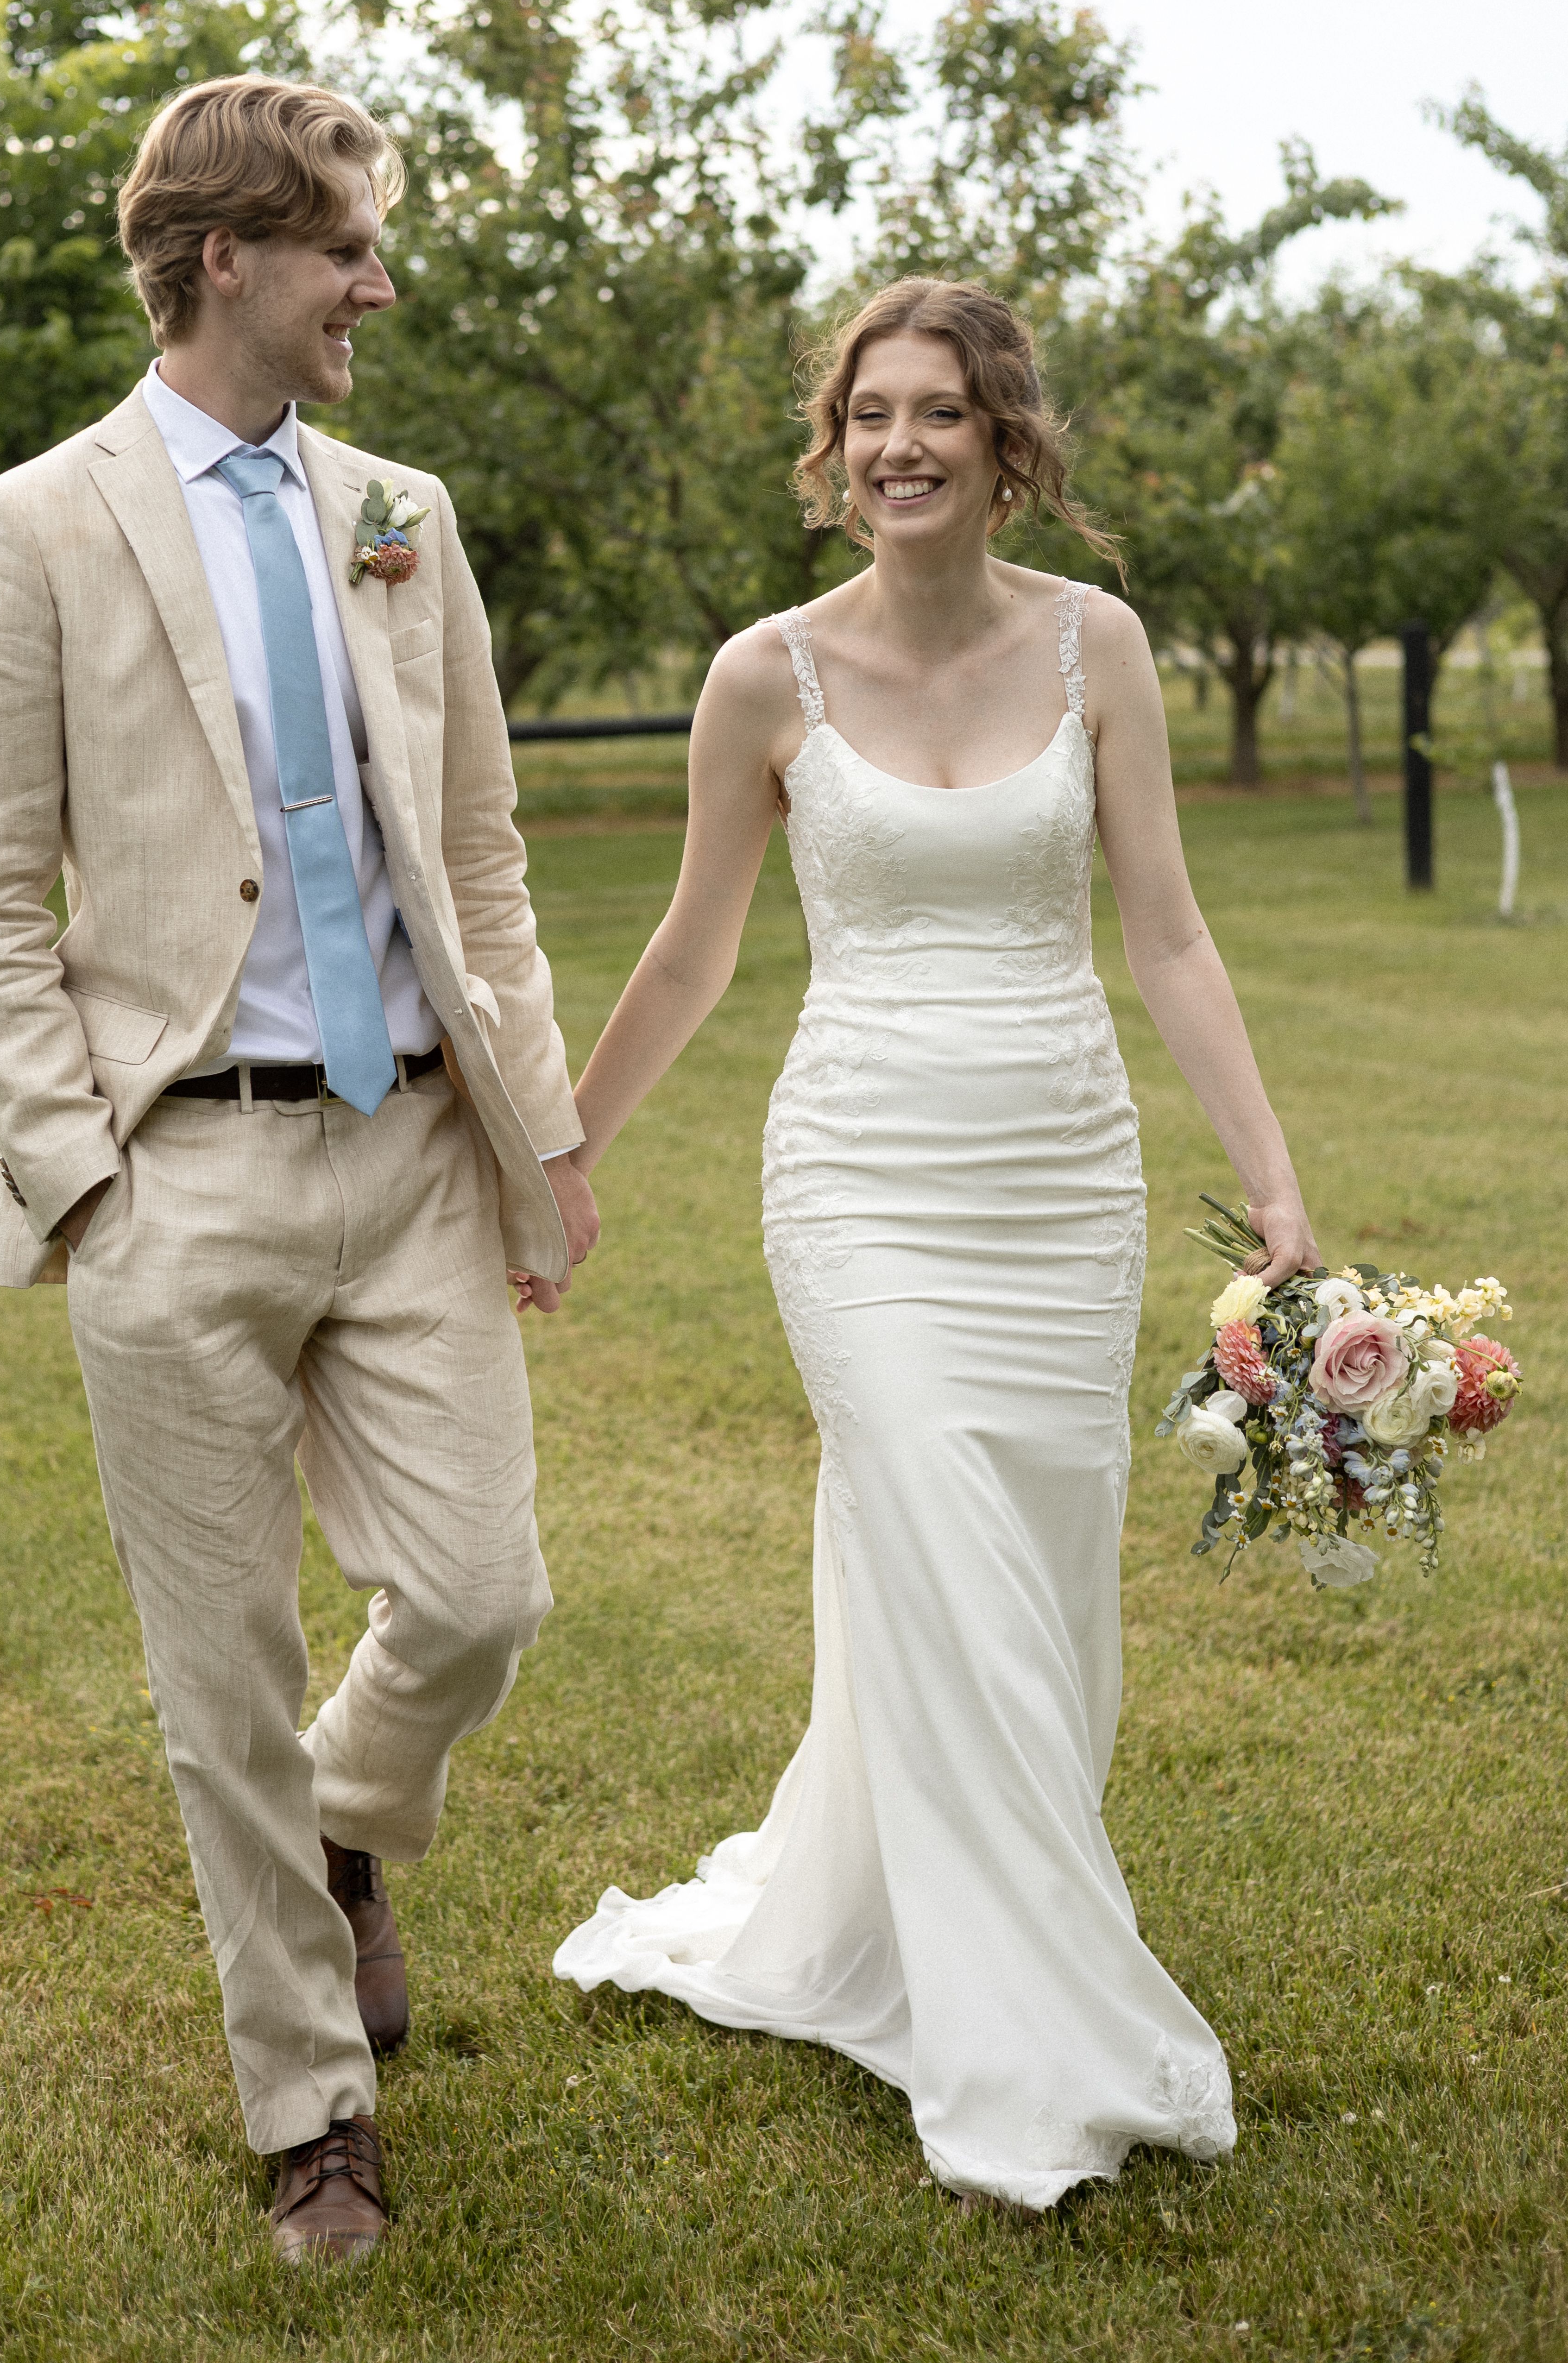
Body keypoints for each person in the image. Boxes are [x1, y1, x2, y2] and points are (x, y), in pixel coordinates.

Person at [552, 278, 1321, 2211]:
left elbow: (1165, 934)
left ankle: (930, 1922)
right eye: (869, 414)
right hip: (860, 1186)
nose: (900, 445)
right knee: (934, 1541)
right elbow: (690, 950)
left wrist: (1277, 1185)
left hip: (1060, 1188)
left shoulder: (1099, 649)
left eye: (940, 416)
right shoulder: (764, 677)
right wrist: (556, 1158)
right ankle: (1030, 2037)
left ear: (1004, 448)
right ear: (837, 448)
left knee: (1041, 1595)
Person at [0, 77, 599, 2262]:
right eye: (344, 251)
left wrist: (540, 1124)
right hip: (172, 1178)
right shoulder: (32, 527)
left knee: (487, 1592)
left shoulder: (401, 508)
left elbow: (479, 851)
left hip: (413, 1149)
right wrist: (88, 1177)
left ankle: (353, 1824)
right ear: (229, 256)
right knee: (218, 1680)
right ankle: (313, 2113)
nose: (373, 286)